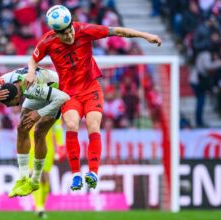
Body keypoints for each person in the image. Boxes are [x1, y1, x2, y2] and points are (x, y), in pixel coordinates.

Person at [24, 5, 162, 191]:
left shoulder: (85, 30)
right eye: (64, 34)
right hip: (69, 93)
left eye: (70, 29)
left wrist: (146, 35)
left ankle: (93, 172)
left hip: (91, 90)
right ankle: (75, 175)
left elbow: (117, 31)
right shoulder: (47, 41)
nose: (69, 36)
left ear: (72, 24)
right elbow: (33, 59)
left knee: (93, 125)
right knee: (72, 125)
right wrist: (31, 72)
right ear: (56, 33)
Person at [0, 67, 70, 197]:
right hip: (37, 91)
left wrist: (39, 113)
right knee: (22, 128)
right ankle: (22, 179)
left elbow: (64, 97)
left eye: (9, 103)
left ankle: (35, 180)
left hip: (58, 91)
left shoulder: (32, 88)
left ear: (17, 95)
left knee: (39, 131)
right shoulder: (4, 80)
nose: (8, 107)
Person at [29, 118, 66, 218]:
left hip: (48, 149)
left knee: (45, 179)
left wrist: (61, 146)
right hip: (32, 149)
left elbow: (58, 129)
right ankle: (39, 207)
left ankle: (41, 206)